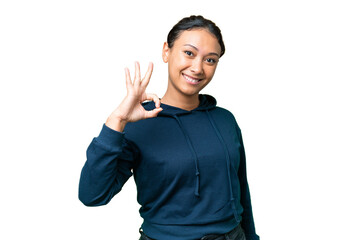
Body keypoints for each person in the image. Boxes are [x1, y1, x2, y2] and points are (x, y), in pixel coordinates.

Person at [79, 15, 260, 240]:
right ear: (166, 51)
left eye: (210, 60)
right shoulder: (139, 124)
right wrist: (117, 120)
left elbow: (242, 192)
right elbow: (92, 195)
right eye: (189, 53)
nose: (197, 68)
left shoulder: (225, 120)